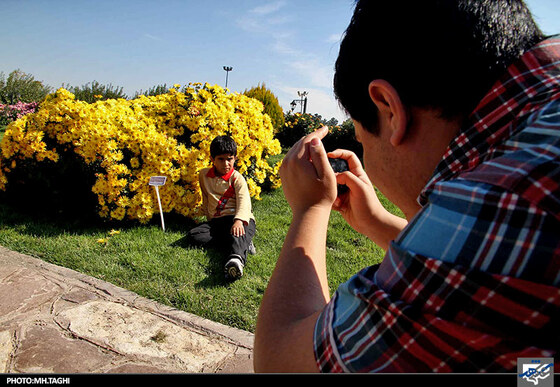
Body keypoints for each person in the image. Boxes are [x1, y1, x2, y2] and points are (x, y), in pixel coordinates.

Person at [254, 0, 560, 373]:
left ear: (389, 109)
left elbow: (280, 360)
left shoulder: (504, 199)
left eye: (362, 140)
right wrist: (377, 222)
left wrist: (310, 209)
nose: (364, 152)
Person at [187, 135, 256, 280]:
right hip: (218, 221)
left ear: (235, 159)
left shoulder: (237, 178)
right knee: (195, 235)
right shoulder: (204, 175)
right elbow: (206, 197)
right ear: (212, 159)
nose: (226, 164)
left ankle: (235, 260)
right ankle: (243, 242)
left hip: (238, 218)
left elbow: (244, 203)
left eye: (229, 159)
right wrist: (207, 216)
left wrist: (238, 221)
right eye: (221, 159)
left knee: (238, 231)